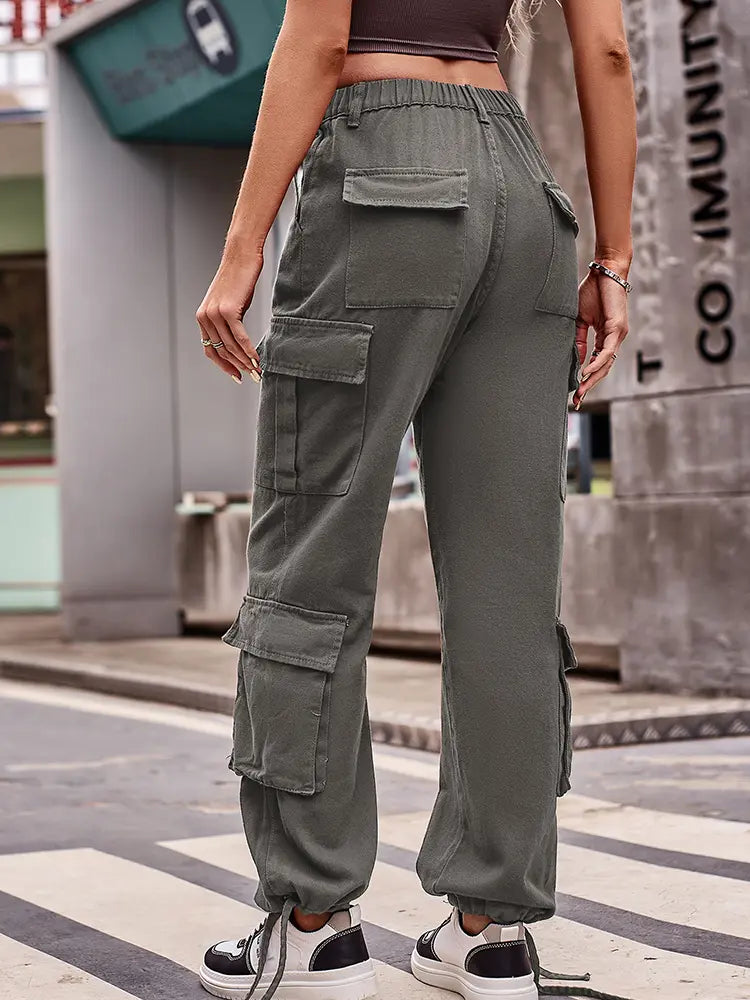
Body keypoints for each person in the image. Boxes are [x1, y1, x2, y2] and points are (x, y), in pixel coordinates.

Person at [195, 0, 636, 997]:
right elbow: (607, 51)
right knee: (508, 588)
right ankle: (492, 930)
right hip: (523, 197)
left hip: (379, 181)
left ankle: (312, 926)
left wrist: (242, 246)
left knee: (312, 557)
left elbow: (317, 40)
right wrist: (614, 259)